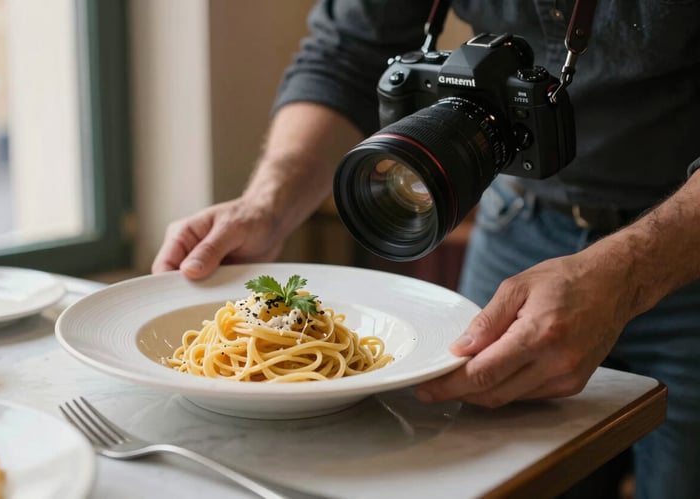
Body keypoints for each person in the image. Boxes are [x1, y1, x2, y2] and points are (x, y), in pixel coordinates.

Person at [152, 2, 700, 498]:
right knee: (499, 477)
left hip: (686, 247)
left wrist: (629, 271)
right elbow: (346, 53)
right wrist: (266, 205)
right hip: (517, 228)